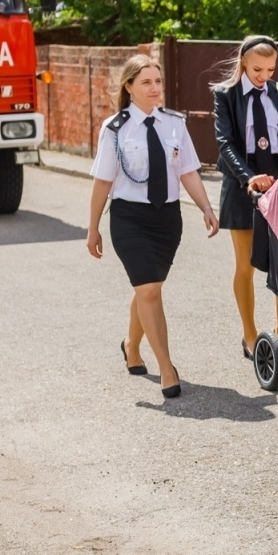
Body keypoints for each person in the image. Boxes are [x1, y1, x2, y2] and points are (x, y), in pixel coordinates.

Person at [85, 54, 219, 399]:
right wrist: (92, 227)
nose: (155, 88)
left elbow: (187, 170)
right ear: (129, 87)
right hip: (129, 218)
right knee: (149, 290)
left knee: (148, 288)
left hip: (166, 220)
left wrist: (205, 206)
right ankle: (167, 368)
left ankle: (131, 345)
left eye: (158, 81)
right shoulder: (114, 128)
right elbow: (102, 181)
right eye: (146, 82)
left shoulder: (175, 123)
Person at [212, 35, 278, 357]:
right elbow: (224, 142)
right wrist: (249, 178)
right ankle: (249, 335)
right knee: (245, 266)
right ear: (243, 64)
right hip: (242, 184)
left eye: (270, 69)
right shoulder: (225, 95)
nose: (264, 76)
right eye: (257, 69)